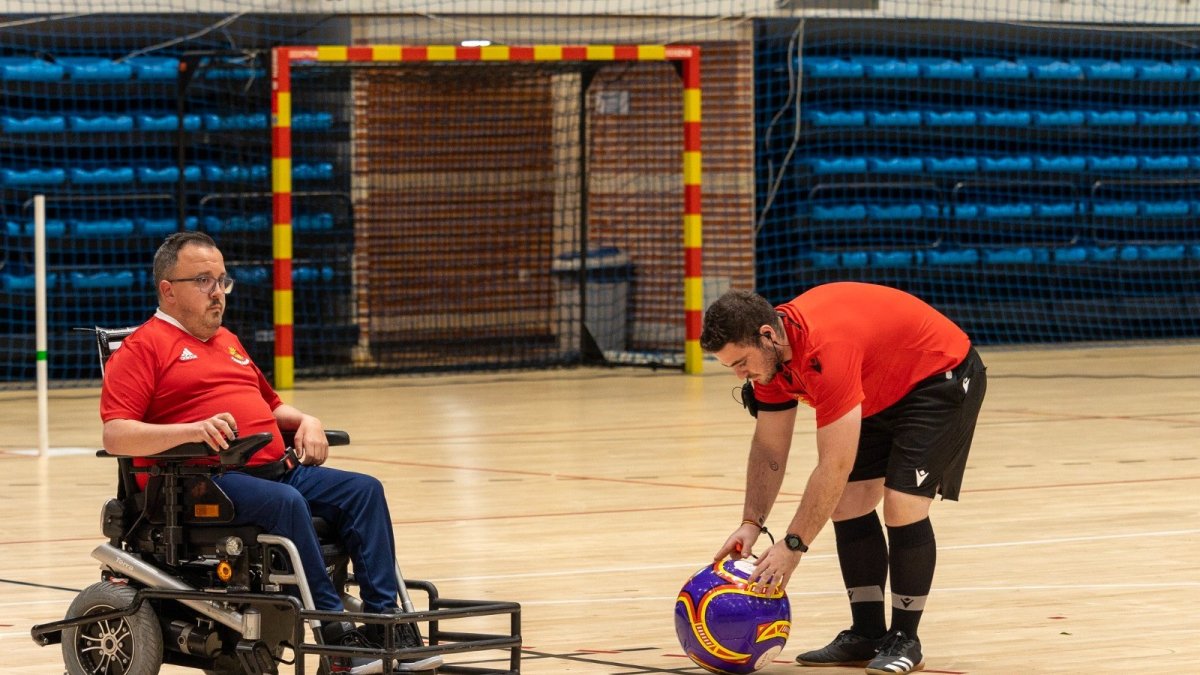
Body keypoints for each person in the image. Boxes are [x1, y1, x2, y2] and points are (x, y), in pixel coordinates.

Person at [99, 231, 429, 675]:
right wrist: (188, 430)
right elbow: (116, 435)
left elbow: (272, 406)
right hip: (201, 483)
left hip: (272, 470)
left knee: (363, 491)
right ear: (168, 290)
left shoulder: (228, 341)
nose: (218, 293)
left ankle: (387, 623)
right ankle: (335, 635)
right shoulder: (143, 347)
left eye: (222, 281)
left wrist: (306, 420)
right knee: (287, 504)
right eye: (203, 281)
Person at [700, 283, 986, 675]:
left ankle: (906, 639)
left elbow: (834, 465)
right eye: (731, 367)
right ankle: (867, 632)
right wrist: (752, 523)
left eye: (741, 362)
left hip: (939, 376)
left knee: (902, 504)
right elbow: (769, 449)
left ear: (767, 335)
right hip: (879, 384)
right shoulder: (771, 363)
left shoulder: (824, 350)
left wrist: (794, 544)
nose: (740, 374)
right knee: (848, 503)